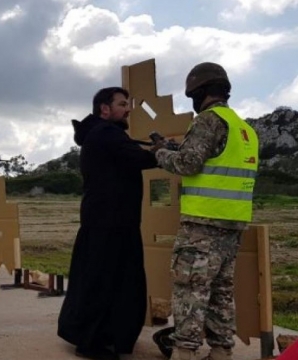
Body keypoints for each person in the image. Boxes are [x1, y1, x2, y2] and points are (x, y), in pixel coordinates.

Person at [153, 63, 259, 360]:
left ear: (200, 92)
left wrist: (160, 153)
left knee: (190, 288)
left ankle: (184, 352)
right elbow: (212, 163)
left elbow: (188, 165)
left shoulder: (207, 122)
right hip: (232, 224)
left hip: (202, 225)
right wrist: (178, 148)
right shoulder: (244, 129)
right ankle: (221, 350)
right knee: (220, 291)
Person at [57, 87, 159, 360]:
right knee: (104, 282)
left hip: (109, 221)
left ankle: (102, 336)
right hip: (110, 223)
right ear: (104, 109)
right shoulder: (106, 133)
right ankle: (90, 343)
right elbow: (138, 157)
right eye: (123, 104)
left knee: (104, 281)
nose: (128, 109)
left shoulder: (100, 134)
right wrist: (164, 152)